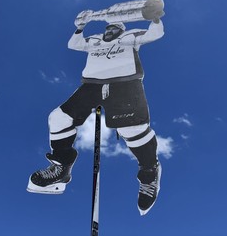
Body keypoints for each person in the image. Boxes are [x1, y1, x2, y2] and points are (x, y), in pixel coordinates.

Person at [27, 11, 164, 216]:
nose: (110, 31)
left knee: (131, 128)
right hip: (91, 85)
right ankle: (61, 168)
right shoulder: (96, 40)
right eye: (108, 28)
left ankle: (149, 173)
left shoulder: (131, 36)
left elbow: (155, 34)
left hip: (124, 83)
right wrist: (80, 27)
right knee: (58, 118)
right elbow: (74, 44)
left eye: (114, 28)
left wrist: (154, 17)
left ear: (121, 29)